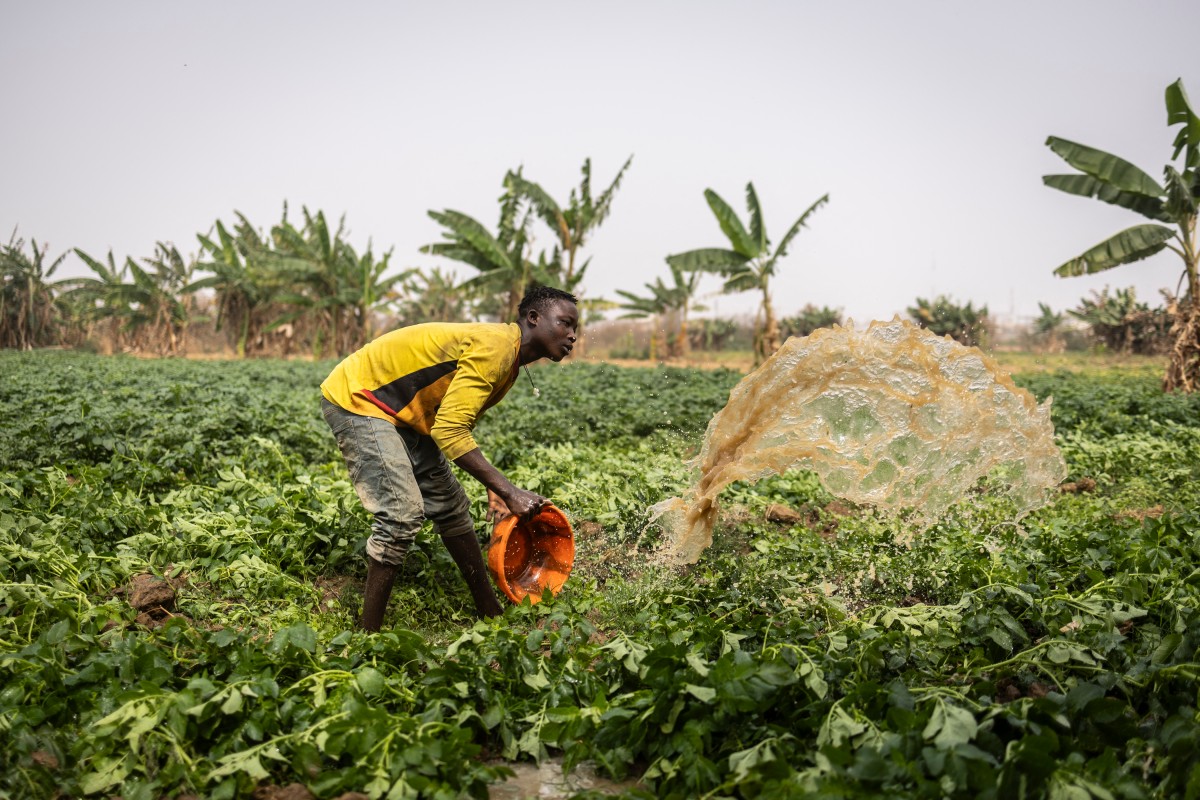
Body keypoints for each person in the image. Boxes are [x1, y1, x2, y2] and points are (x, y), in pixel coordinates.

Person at [320, 286, 579, 630]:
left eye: (575, 327)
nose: (573, 335)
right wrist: (508, 490)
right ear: (534, 318)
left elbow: (458, 419)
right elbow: (450, 431)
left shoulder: (509, 358)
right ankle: (367, 637)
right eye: (565, 323)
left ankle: (489, 612)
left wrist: (493, 486)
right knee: (401, 513)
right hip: (361, 399)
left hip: (404, 412)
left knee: (451, 508)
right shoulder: (497, 347)